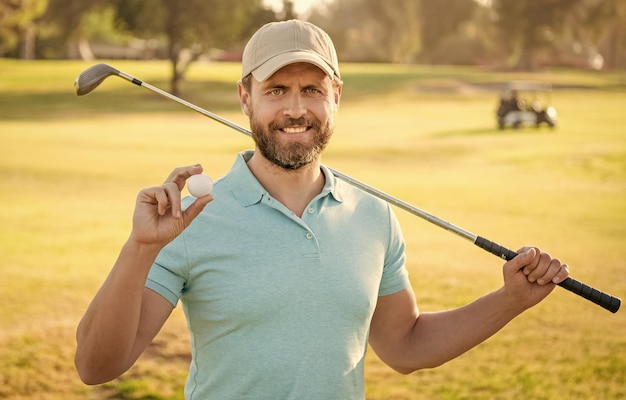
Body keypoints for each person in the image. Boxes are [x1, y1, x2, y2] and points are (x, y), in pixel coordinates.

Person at [75, 20, 570, 399]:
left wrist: (510, 300)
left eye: (311, 90)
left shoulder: (374, 215)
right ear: (245, 98)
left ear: (336, 97)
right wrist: (139, 248)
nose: (295, 110)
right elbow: (97, 366)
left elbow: (406, 346)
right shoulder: (191, 217)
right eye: (276, 90)